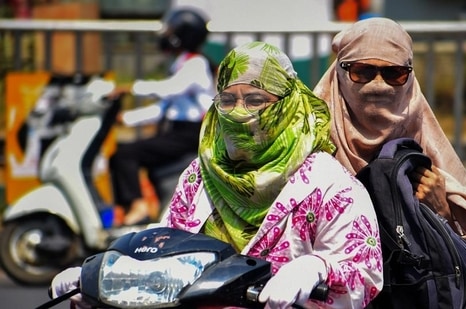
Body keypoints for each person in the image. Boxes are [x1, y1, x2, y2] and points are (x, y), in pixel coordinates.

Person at [51, 42, 384, 308]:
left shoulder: (330, 185)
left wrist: (317, 269)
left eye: (255, 100)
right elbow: (166, 248)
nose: (239, 112)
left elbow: (365, 277)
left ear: (287, 105)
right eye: (227, 100)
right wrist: (102, 273)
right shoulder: (200, 175)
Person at [312, 17, 466, 284]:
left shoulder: (425, 151)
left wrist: (442, 211)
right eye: (362, 71)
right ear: (340, 73)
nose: (377, 85)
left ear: (409, 77)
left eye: (393, 74)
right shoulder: (310, 146)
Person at [109, 7, 216, 226]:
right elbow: (163, 108)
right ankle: (149, 211)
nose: (165, 36)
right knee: (129, 155)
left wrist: (130, 87)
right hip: (179, 130)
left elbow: (171, 89)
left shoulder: (196, 64)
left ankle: (138, 207)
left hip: (193, 133)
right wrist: (126, 118)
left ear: (182, 36)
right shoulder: (183, 63)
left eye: (170, 31)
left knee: (126, 154)